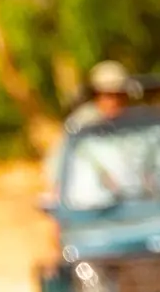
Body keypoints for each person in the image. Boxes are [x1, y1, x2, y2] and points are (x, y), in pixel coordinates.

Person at [40, 60, 134, 209]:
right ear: (97, 95)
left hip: (132, 199)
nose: (114, 101)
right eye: (108, 95)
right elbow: (57, 165)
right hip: (92, 204)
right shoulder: (80, 125)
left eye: (119, 94)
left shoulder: (135, 122)